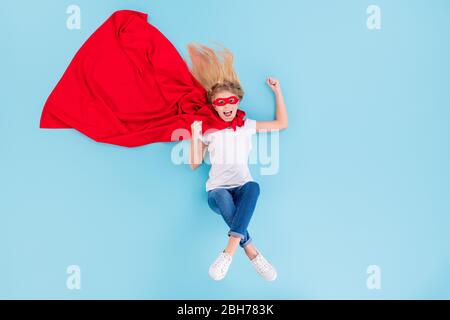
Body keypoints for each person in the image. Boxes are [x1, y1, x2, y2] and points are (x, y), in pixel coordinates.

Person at [186, 43, 289, 281]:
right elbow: (193, 164)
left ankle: (228, 252)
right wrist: (194, 134)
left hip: (242, 190)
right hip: (217, 193)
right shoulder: (208, 131)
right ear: (214, 106)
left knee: (254, 186)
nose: (226, 107)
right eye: (220, 103)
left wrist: (278, 91)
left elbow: (281, 124)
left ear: (237, 101)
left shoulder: (247, 125)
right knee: (222, 195)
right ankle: (251, 252)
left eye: (230, 101)